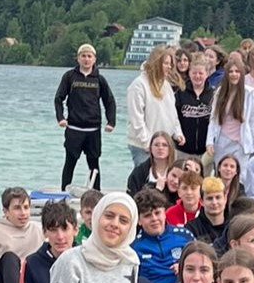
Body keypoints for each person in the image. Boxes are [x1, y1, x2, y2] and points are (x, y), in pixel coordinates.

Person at [55, 42, 117, 189]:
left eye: (89, 56)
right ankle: (64, 193)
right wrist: (60, 118)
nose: (86, 59)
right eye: (83, 56)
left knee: (94, 164)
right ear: (78, 58)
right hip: (74, 128)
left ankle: (96, 193)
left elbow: (109, 101)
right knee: (70, 163)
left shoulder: (99, 79)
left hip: (93, 129)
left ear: (94, 59)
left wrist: (111, 121)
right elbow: (58, 98)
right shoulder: (70, 77)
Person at [126, 46, 183, 165]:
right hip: (143, 147)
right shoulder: (138, 85)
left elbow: (172, 113)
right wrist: (147, 142)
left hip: (165, 144)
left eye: (170, 64)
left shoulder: (166, 85)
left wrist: (177, 132)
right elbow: (136, 119)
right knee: (146, 176)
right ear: (157, 63)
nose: (169, 67)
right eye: (166, 63)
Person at [132, 188, 191, 283]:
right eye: (148, 215)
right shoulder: (135, 247)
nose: (154, 219)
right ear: (139, 220)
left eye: (157, 213)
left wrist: (185, 266)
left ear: (164, 213)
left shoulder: (184, 236)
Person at [207, 54, 254, 166]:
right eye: (231, 72)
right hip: (222, 142)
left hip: (241, 144)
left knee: (240, 174)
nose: (234, 74)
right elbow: (213, 119)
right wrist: (209, 142)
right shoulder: (220, 92)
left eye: (237, 71)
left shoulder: (249, 93)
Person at [175, 50, 213, 154]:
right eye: (194, 73)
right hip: (183, 149)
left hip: (206, 151)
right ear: (189, 73)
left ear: (207, 74)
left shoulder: (213, 94)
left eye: (201, 73)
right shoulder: (180, 93)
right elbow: (174, 118)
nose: (197, 76)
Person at [126, 131, 180, 197]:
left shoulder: (177, 170)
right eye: (156, 145)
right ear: (150, 148)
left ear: (170, 148)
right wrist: (157, 190)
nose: (160, 148)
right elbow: (133, 197)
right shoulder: (139, 172)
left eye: (164, 145)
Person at [188, 175, 232, 247]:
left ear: (225, 199)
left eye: (218, 197)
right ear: (201, 201)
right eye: (209, 198)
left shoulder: (234, 226)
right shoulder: (191, 228)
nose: (214, 202)